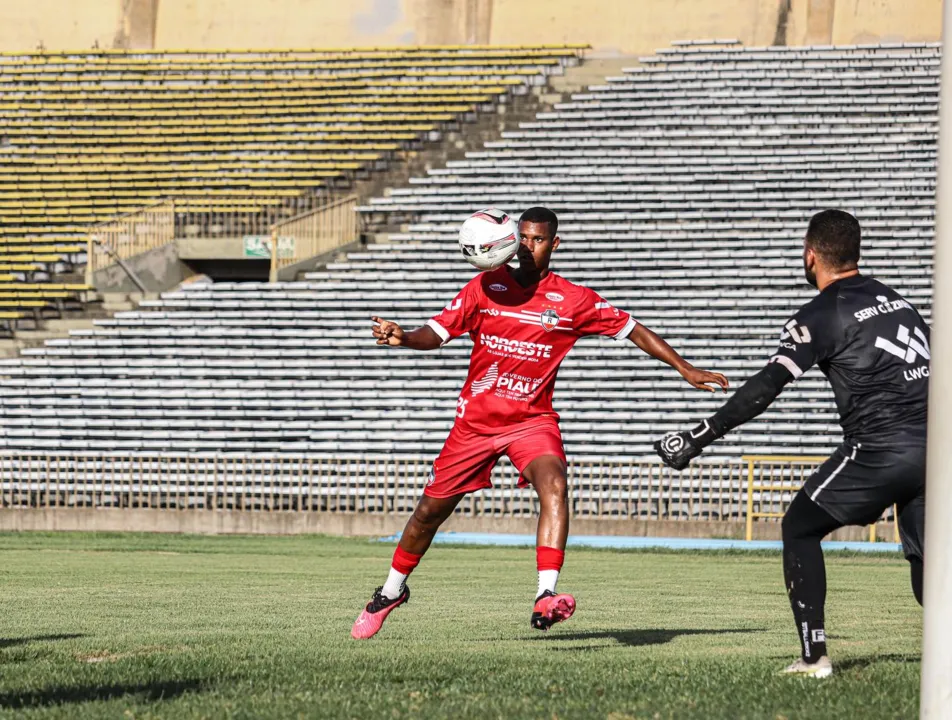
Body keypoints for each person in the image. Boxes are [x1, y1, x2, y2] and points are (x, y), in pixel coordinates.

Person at [352, 206, 728, 639]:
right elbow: (436, 333)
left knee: (555, 484)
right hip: (474, 424)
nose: (527, 247)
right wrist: (403, 337)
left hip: (532, 421)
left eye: (537, 240)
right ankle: (391, 591)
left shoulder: (574, 300)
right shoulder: (485, 284)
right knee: (427, 515)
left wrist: (684, 368)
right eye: (522, 237)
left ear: (554, 244)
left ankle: (545, 595)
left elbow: (633, 329)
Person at [654, 209, 929, 678]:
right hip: (936, 449)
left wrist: (702, 434)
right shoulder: (897, 301)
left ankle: (813, 656)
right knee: (928, 556)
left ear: (811, 256)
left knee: (799, 527)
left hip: (879, 450)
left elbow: (768, 384)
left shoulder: (822, 312)